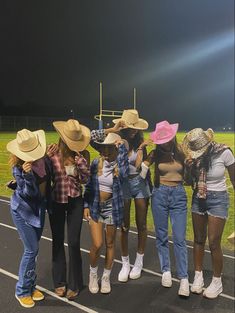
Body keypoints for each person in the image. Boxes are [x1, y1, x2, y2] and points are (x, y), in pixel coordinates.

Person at [182, 128, 235, 299]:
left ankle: (217, 281)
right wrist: (188, 169)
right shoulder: (193, 158)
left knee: (213, 242)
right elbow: (189, 182)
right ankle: (198, 277)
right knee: (198, 239)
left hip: (218, 199)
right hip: (199, 197)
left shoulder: (224, 152)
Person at [144, 120, 190, 297]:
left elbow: (192, 171)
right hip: (160, 194)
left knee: (179, 238)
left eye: (167, 138)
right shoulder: (155, 154)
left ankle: (184, 278)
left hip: (178, 195)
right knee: (161, 236)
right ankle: (166, 271)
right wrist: (141, 148)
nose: (166, 142)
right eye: (162, 139)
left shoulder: (181, 152)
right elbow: (140, 167)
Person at [7, 129, 51, 308]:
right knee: (31, 250)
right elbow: (29, 194)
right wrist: (27, 176)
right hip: (23, 211)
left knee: (34, 250)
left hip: (39, 210)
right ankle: (22, 290)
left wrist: (49, 155)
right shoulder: (18, 169)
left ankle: (31, 286)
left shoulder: (42, 160)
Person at [47, 119, 90, 300]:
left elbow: (85, 180)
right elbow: (44, 175)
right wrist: (46, 158)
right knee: (57, 241)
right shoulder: (53, 154)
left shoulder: (83, 155)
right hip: (56, 201)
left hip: (75, 202)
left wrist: (80, 163)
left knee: (73, 242)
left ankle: (75, 283)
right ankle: (59, 282)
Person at [83, 133, 129, 294]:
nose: (106, 152)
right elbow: (89, 186)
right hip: (96, 206)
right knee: (97, 244)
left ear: (115, 149)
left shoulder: (120, 165)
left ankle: (106, 277)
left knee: (110, 244)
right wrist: (86, 205)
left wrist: (121, 149)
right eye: (104, 149)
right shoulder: (96, 163)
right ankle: (93, 274)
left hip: (112, 207)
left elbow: (124, 175)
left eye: (110, 149)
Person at [112, 109, 151, 282]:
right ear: (123, 127)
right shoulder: (116, 141)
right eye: (130, 127)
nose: (134, 130)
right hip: (124, 185)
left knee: (141, 224)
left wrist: (141, 149)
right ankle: (125, 263)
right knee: (124, 225)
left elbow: (137, 164)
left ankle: (139, 261)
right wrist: (113, 134)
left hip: (139, 184)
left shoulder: (140, 142)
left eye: (135, 127)